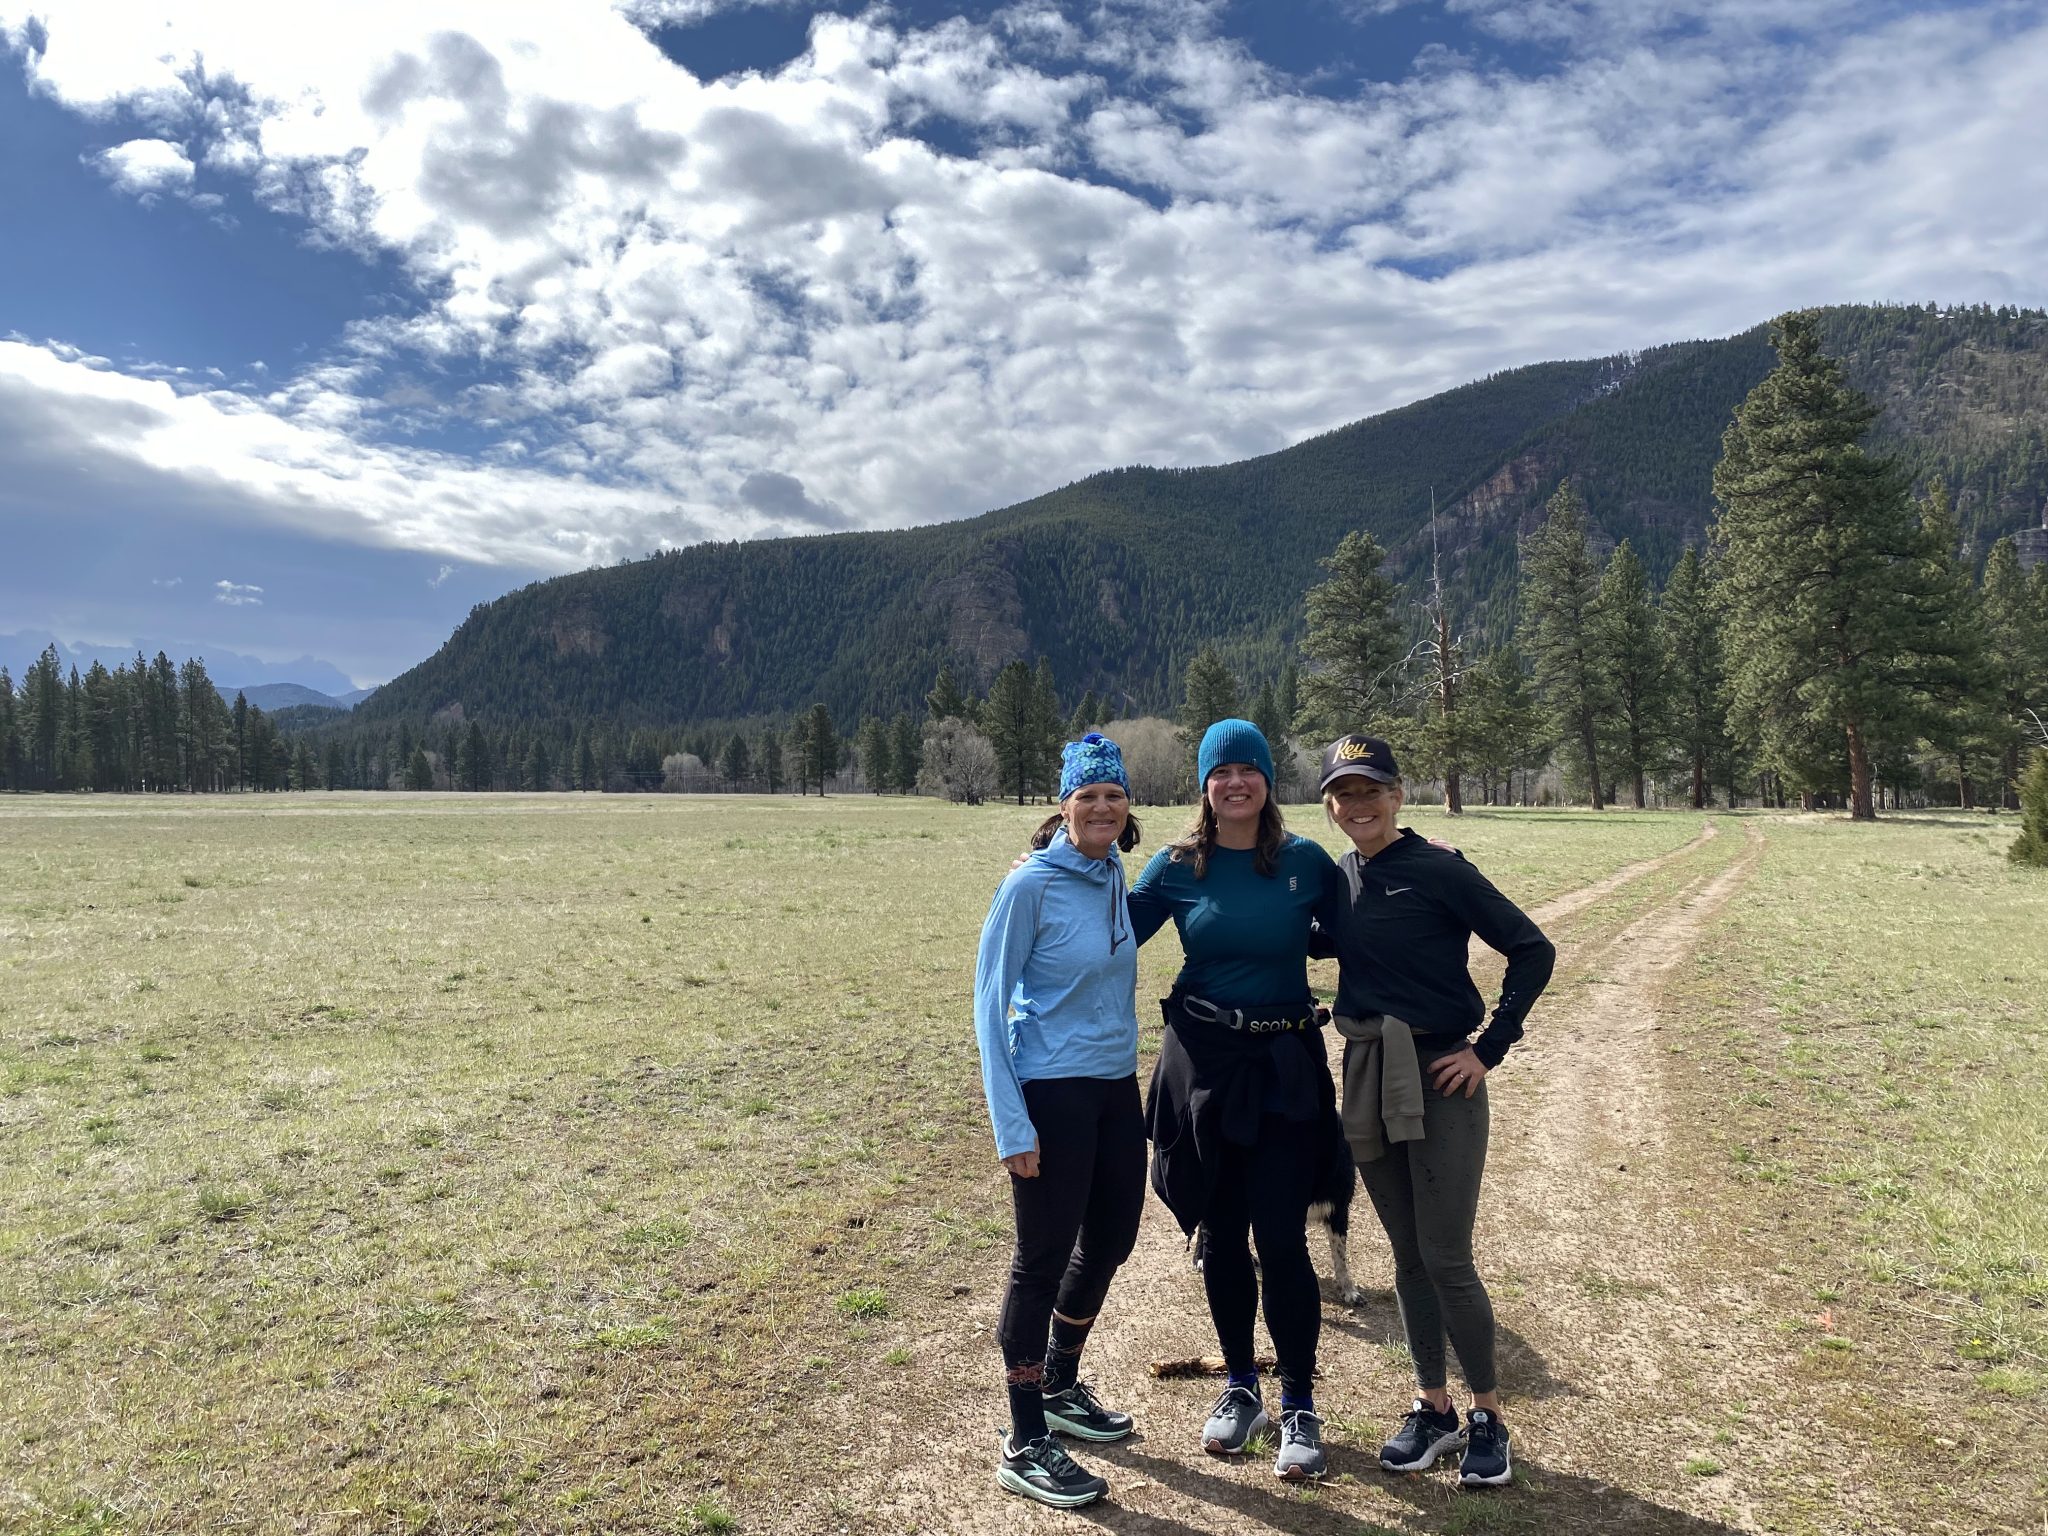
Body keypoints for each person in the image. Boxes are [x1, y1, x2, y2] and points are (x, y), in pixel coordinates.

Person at [1314, 734, 1555, 1489]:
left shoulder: (1441, 869)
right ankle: (1434, 1408)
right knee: (1409, 1255)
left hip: (1441, 1077)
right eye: (1343, 793)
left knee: (1446, 1256)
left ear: (1397, 795)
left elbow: (1533, 949)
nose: (1358, 804)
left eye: (1371, 790)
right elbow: (1308, 936)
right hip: (1367, 1072)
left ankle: (1488, 1417)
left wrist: (1488, 1049)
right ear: (1330, 805)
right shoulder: (1339, 878)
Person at [1131, 718, 1351, 1482]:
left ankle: (1299, 1403)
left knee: (1282, 1240)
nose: (1234, 783)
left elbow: (1361, 924)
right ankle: (1239, 1388)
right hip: (1204, 1067)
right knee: (1221, 1236)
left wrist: (1426, 862)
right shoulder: (1175, 866)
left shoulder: (1305, 861)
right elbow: (1107, 932)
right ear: (1204, 785)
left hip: (1284, 1065)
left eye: (1247, 770)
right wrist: (1049, 870)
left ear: (1266, 780)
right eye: (1220, 772)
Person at [974, 733, 1148, 1509]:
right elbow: (988, 1003)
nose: (1102, 807)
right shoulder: (1029, 886)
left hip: (1115, 1085)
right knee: (1040, 1261)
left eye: (1113, 795)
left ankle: (1057, 1384)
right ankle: (1024, 1438)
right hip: (1051, 1091)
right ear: (1064, 805)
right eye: (1088, 796)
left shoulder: (1112, 872)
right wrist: (1011, 1125)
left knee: (1111, 1238)